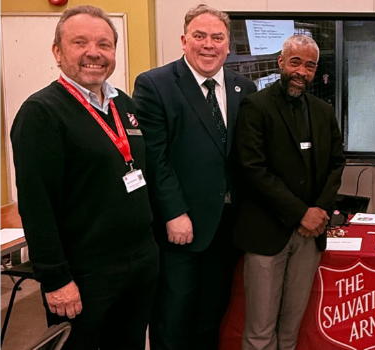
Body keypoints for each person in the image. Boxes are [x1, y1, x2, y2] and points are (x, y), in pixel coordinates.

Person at [10, 5, 158, 349]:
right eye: (80, 43)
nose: (94, 53)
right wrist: (56, 279)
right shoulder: (42, 112)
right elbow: (36, 204)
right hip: (85, 273)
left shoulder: (124, 104)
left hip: (138, 263)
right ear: (57, 52)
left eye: (104, 44)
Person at [132, 5, 257, 349]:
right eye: (199, 36)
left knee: (211, 319)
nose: (208, 45)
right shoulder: (155, 85)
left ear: (228, 45)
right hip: (180, 229)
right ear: (184, 41)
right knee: (173, 320)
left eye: (217, 37)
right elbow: (154, 158)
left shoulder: (244, 88)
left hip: (227, 228)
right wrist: (173, 212)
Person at [232, 34, 345, 350]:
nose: (301, 72)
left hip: (310, 236)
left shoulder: (323, 111)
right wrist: (301, 213)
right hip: (267, 233)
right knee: (260, 333)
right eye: (295, 62)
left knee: (290, 331)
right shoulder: (255, 106)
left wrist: (318, 212)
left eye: (310, 66)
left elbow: (336, 164)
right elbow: (253, 170)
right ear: (281, 62)